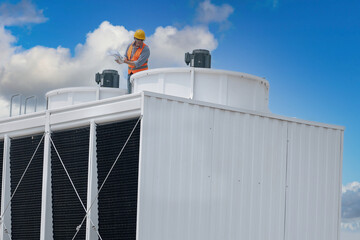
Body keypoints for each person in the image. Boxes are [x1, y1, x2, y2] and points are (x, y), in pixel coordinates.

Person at [116, 29, 150, 93]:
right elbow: (126, 56)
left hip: (140, 75)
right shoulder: (130, 46)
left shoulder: (146, 49)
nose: (140, 41)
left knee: (139, 93)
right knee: (130, 93)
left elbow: (137, 63)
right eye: (138, 39)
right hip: (130, 74)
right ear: (134, 38)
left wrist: (124, 61)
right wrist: (121, 60)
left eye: (141, 40)